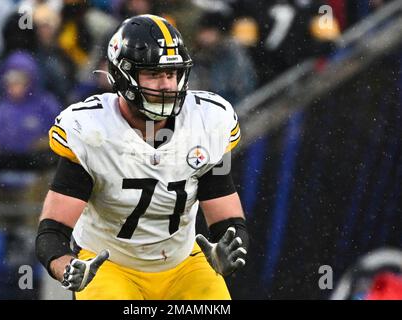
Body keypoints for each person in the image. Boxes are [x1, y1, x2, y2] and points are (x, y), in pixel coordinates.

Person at [35, 14, 249, 300]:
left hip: (185, 263)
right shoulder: (92, 131)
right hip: (109, 264)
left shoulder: (208, 123)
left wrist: (229, 251)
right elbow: (52, 231)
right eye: (154, 74)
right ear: (123, 75)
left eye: (171, 74)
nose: (166, 85)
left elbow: (228, 217)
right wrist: (68, 267)